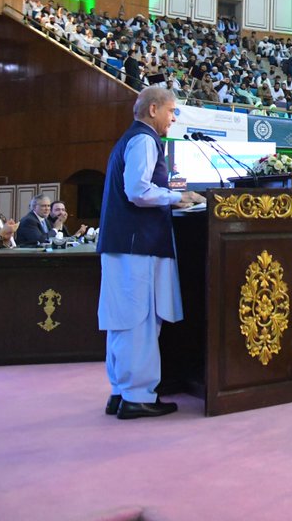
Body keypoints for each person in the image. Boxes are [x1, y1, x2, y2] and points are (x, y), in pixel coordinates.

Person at [97, 86, 204, 420]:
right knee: (139, 320)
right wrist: (179, 198)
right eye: (172, 111)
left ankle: (121, 391)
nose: (174, 119)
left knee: (123, 321)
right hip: (136, 246)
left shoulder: (131, 138)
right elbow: (138, 190)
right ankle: (137, 396)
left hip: (125, 245)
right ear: (154, 109)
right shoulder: (144, 140)